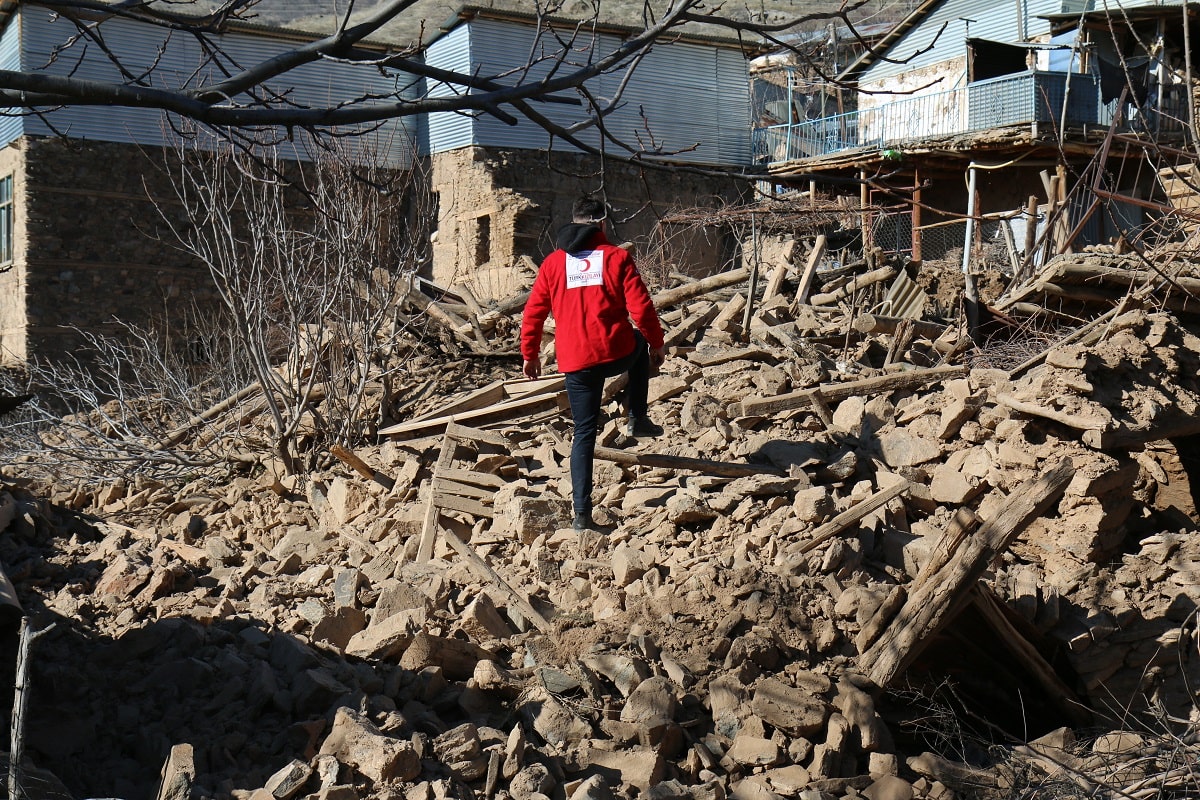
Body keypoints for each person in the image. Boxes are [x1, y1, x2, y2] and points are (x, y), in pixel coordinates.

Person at [520, 195, 666, 531]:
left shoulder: (553, 264)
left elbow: (533, 313)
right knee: (640, 341)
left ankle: (582, 516)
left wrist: (530, 355)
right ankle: (637, 417)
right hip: (615, 352)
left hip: (575, 362)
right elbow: (641, 310)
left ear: (573, 221)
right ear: (602, 223)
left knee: (583, 433)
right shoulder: (616, 258)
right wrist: (656, 343)